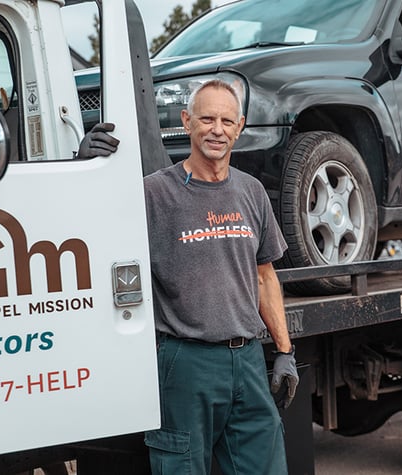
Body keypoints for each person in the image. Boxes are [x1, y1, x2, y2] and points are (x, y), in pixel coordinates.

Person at [78, 78, 298, 474]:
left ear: (240, 126)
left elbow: (265, 275)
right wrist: (85, 171)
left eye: (227, 121)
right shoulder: (153, 194)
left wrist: (284, 351)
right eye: (207, 118)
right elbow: (90, 237)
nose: (218, 129)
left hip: (248, 360)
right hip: (186, 361)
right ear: (186, 121)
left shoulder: (251, 192)